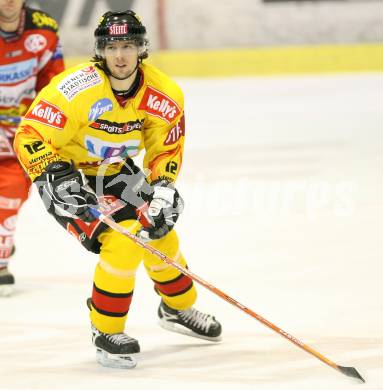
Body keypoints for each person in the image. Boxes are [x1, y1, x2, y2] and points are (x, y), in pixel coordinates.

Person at [14, 10, 221, 368]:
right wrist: (51, 172)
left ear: (142, 48)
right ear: (101, 51)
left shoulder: (164, 94)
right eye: (112, 47)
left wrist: (164, 188)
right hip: (69, 178)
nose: (121, 55)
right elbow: (29, 134)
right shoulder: (74, 89)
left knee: (159, 231)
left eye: (128, 45)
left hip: (116, 172)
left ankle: (178, 308)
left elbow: (165, 149)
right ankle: (106, 329)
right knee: (123, 240)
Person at [0, 0, 64, 295]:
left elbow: (53, 81)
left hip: (23, 126)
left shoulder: (45, 28)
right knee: (9, 187)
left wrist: (45, 119)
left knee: (22, 185)